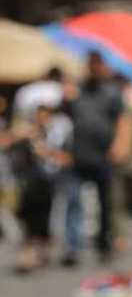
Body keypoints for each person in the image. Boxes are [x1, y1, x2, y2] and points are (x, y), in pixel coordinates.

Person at [60, 51, 132, 266]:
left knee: (106, 204)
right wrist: (67, 96)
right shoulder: (77, 91)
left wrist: (120, 145)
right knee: (74, 201)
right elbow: (65, 116)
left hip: (103, 156)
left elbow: (124, 120)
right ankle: (73, 246)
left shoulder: (112, 93)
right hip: (79, 155)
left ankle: (104, 244)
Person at [8, 102, 70, 272]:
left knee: (46, 222)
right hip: (29, 185)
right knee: (28, 222)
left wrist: (46, 151)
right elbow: (9, 145)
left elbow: (66, 159)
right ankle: (29, 257)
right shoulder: (28, 135)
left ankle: (41, 254)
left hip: (49, 183)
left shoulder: (57, 136)